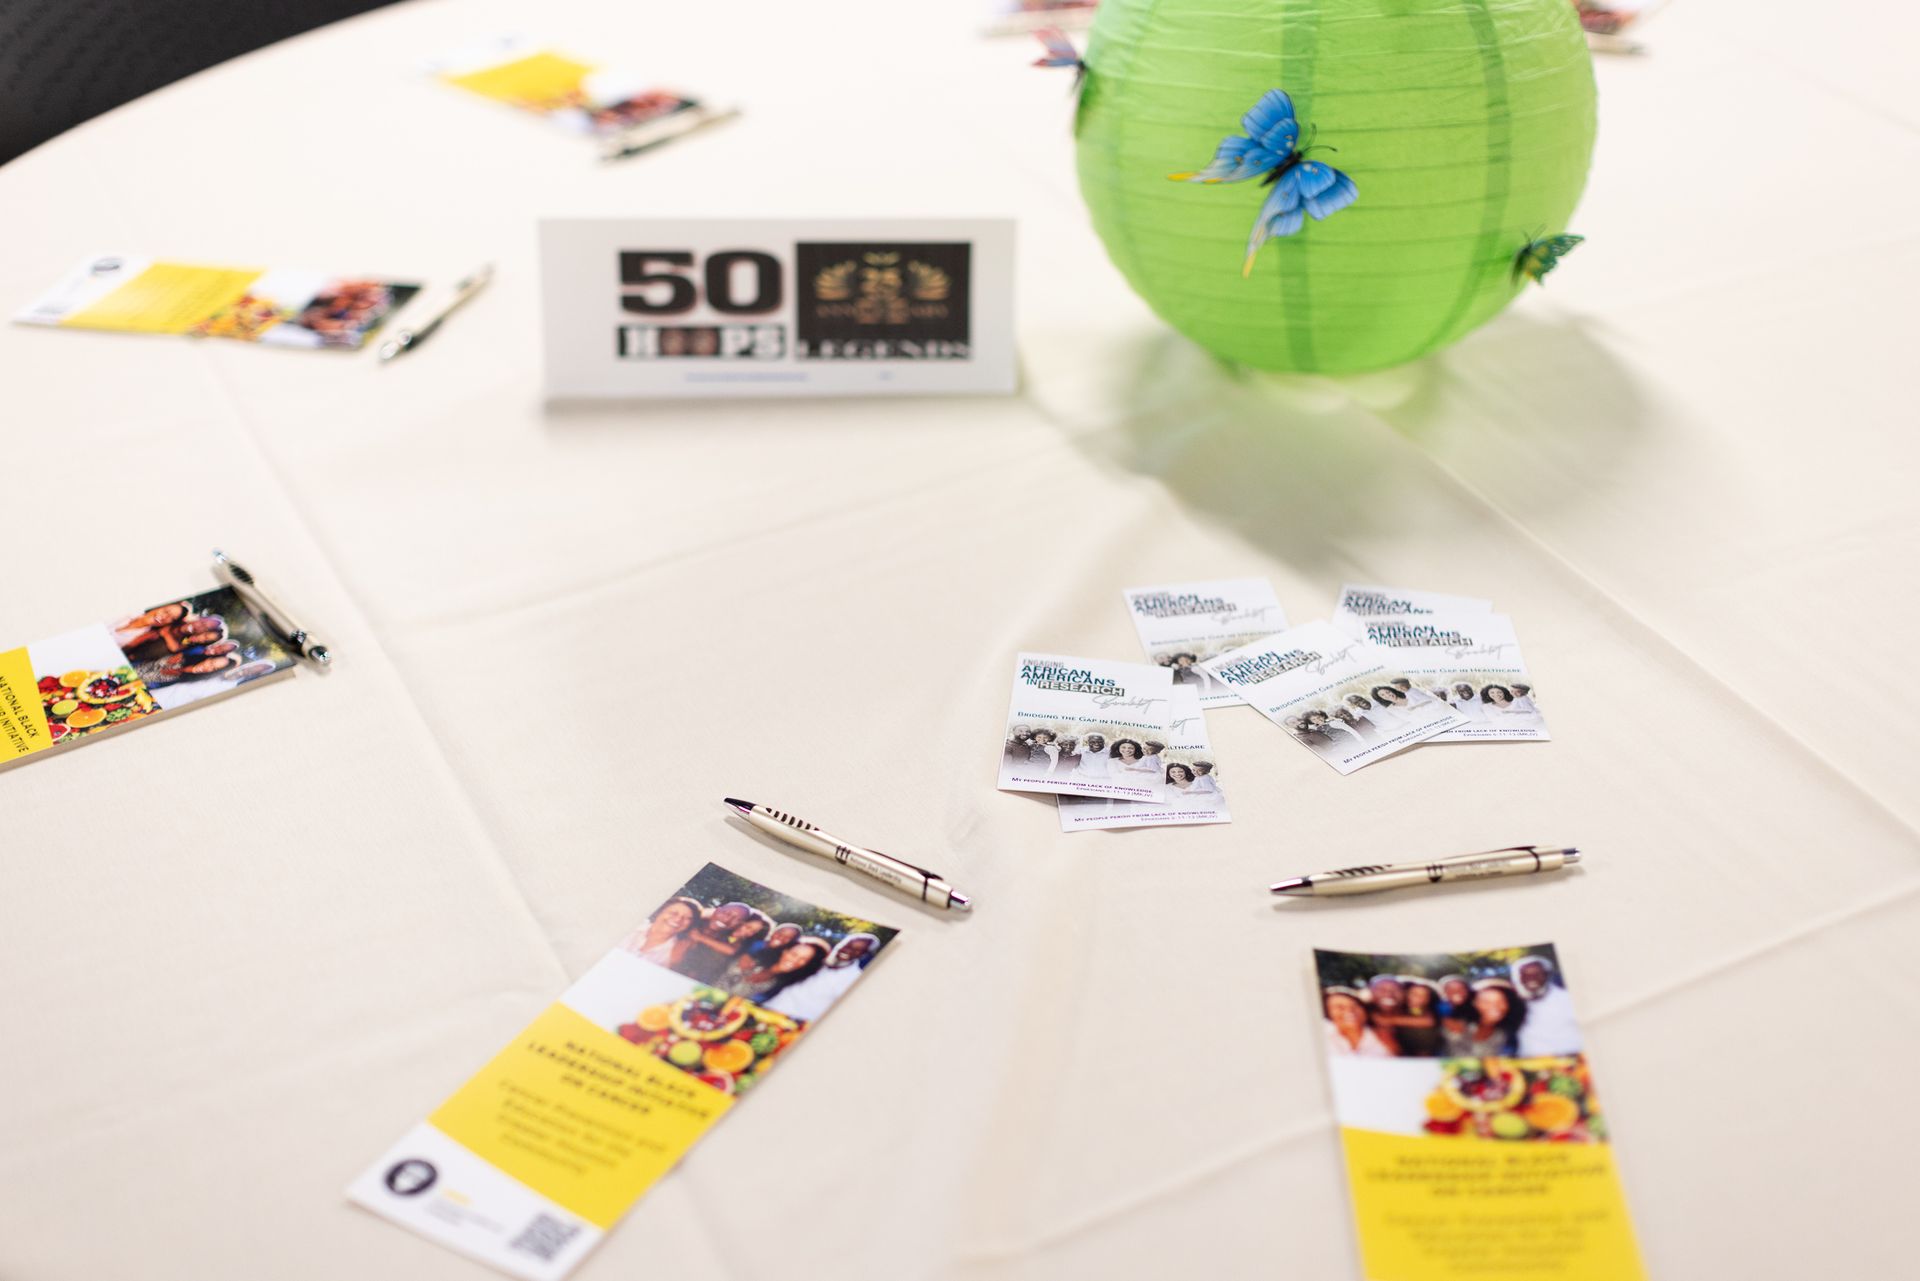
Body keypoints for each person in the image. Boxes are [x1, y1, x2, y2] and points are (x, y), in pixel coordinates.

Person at [758, 936, 850, 1019]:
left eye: (804, 959)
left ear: (808, 964)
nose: (795, 960)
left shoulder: (790, 983)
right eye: (794, 954)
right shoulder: (756, 961)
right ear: (785, 951)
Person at [1511, 954, 1582, 1055]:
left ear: (1547, 975)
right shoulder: (1514, 1004)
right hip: (1529, 1063)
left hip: (1571, 1061)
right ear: (1518, 979)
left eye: (1537, 973)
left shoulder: (1568, 999)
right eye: (1525, 974)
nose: (1532, 978)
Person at [676, 901, 753, 983]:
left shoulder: (729, 938)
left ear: (739, 924)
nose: (727, 920)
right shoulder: (694, 921)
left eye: (737, 919)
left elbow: (731, 950)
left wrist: (700, 937)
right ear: (717, 910)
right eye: (726, 913)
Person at [620, 897, 702, 967]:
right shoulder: (632, 926)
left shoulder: (677, 952)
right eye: (673, 913)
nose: (678, 920)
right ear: (659, 912)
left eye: (687, 918)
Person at [1455, 979, 1526, 1056]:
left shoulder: (1510, 1034)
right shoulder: (1458, 1029)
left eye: (1500, 1001)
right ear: (1474, 1003)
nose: (1495, 1006)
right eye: (1486, 1002)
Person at [1323, 987, 1393, 1057]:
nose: (1349, 1010)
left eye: (1355, 1005)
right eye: (1340, 1007)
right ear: (1328, 1012)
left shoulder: (1383, 1036)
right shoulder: (1323, 1036)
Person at [1381, 977, 1443, 1056]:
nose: (1417, 998)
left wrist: (1390, 1020)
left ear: (1428, 999)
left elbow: (1429, 1021)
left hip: (1428, 1056)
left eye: (1422, 995)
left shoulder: (1431, 1011)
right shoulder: (1400, 1008)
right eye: (1413, 993)